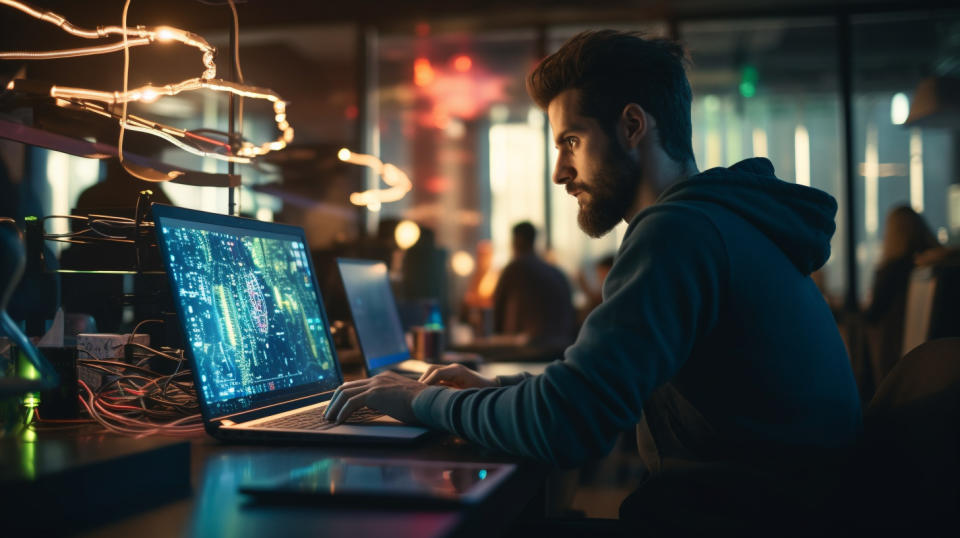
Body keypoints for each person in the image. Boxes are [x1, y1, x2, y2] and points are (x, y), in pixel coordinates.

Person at [324, 30, 861, 534]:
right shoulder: (722, 221)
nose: (560, 171)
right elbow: (590, 391)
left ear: (632, 127)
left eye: (572, 141)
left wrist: (418, 402)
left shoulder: (679, 231)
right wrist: (497, 394)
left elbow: (568, 425)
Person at [859, 205, 942, 393]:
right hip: (935, 354)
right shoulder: (935, 267)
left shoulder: (891, 270)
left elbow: (873, 314)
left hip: (895, 355)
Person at [490, 221, 576, 350]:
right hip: (562, 345)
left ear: (515, 240)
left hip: (531, 345)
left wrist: (495, 337)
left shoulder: (515, 268)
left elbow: (498, 306)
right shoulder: (556, 271)